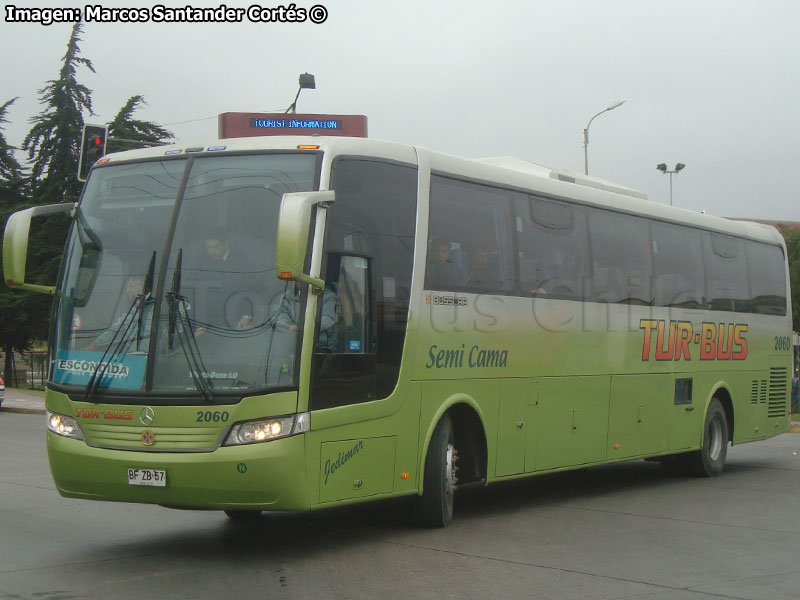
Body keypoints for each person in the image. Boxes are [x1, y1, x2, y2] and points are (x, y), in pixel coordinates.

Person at [199, 227, 259, 330]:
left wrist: (246, 316)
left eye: (215, 247)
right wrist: (199, 325)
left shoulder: (242, 262)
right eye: (208, 247)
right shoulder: (200, 261)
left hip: (235, 322)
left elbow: (253, 290)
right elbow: (193, 292)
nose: (211, 251)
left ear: (226, 244)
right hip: (207, 323)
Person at [89, 275, 153, 353]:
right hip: (132, 359)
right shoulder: (133, 310)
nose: (127, 291)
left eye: (131, 286)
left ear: (142, 286)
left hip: (149, 359)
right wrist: (99, 341)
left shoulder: (156, 308)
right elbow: (116, 329)